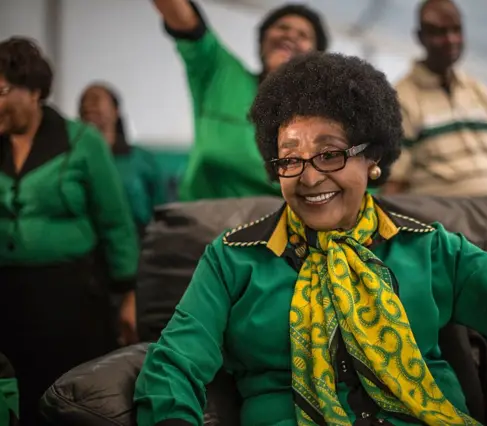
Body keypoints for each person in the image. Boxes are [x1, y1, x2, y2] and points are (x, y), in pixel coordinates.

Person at [134, 52, 487, 426]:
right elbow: (175, 361)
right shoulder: (232, 259)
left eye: (329, 154)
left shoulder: (429, 248)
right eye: (290, 159)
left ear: (372, 158)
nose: (308, 178)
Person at [0, 38, 139, 425]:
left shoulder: (82, 142)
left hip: (69, 296)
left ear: (34, 91)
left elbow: (115, 222)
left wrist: (127, 293)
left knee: (61, 397)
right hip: (6, 295)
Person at [152, 0, 328, 201]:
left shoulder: (324, 116)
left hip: (282, 225)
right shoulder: (220, 72)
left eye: (303, 35)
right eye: (282, 28)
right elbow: (187, 24)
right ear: (262, 41)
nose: (290, 36)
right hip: (201, 222)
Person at [383, 0, 487, 198]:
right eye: (439, 32)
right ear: (420, 37)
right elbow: (395, 183)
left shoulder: (478, 91)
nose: (451, 39)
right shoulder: (402, 99)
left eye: (457, 30)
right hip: (442, 223)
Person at [79, 83, 167, 237]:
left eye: (96, 98)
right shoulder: (75, 162)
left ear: (116, 111)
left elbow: (162, 211)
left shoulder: (142, 160)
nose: (89, 104)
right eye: (85, 101)